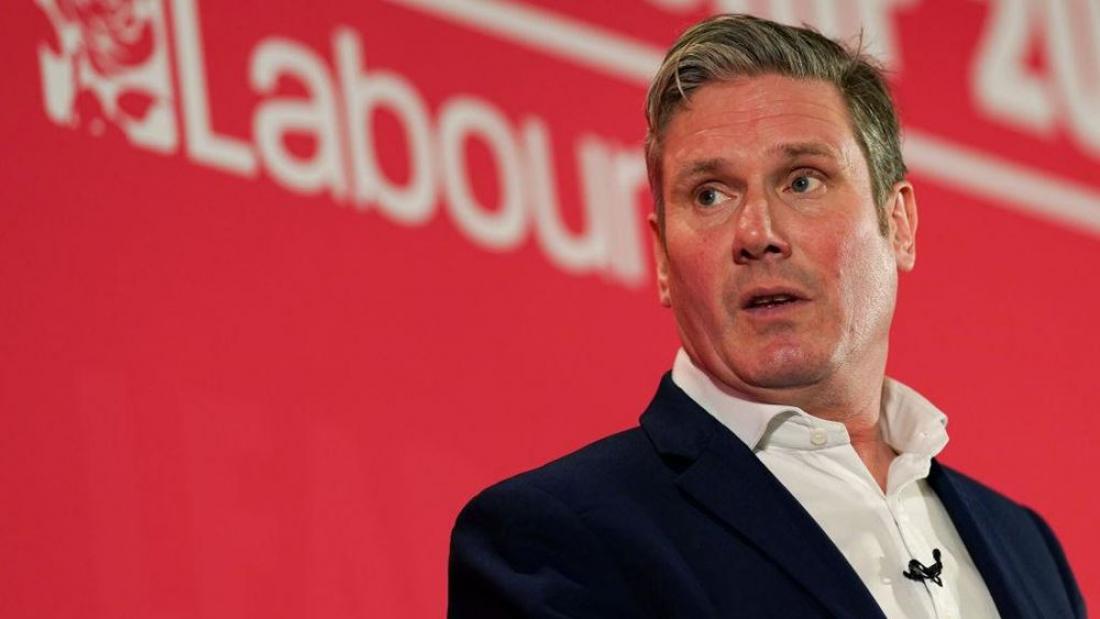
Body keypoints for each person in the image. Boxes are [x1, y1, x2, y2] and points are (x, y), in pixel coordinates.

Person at [447, 14, 1084, 618]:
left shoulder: (1028, 548)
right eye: (710, 195)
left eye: (802, 181)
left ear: (898, 224)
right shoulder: (554, 538)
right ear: (662, 258)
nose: (757, 233)